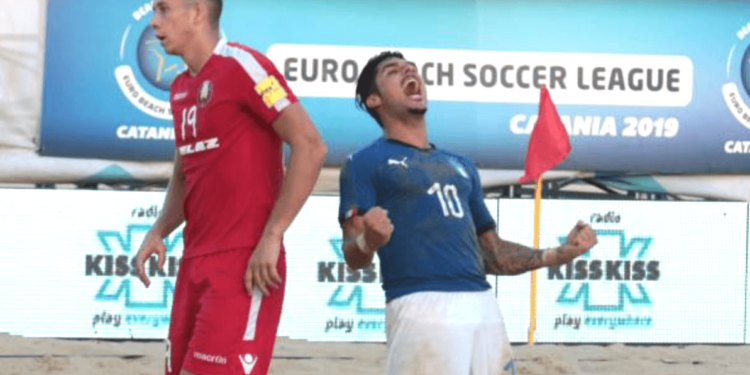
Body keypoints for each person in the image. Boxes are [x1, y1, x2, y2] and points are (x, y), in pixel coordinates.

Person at [338, 51, 598, 375]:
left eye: (412, 68)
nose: (409, 70)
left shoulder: (461, 164)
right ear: (374, 99)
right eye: (394, 70)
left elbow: (494, 255)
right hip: (420, 304)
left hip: (483, 303)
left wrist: (559, 253)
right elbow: (352, 255)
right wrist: (369, 241)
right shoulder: (363, 162)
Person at [134, 1, 327, 374]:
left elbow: (311, 145)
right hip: (194, 261)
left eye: (163, 9)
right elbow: (186, 170)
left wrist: (273, 234)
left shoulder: (243, 66)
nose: (154, 21)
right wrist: (159, 229)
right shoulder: (180, 87)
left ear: (197, 11)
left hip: (245, 262)